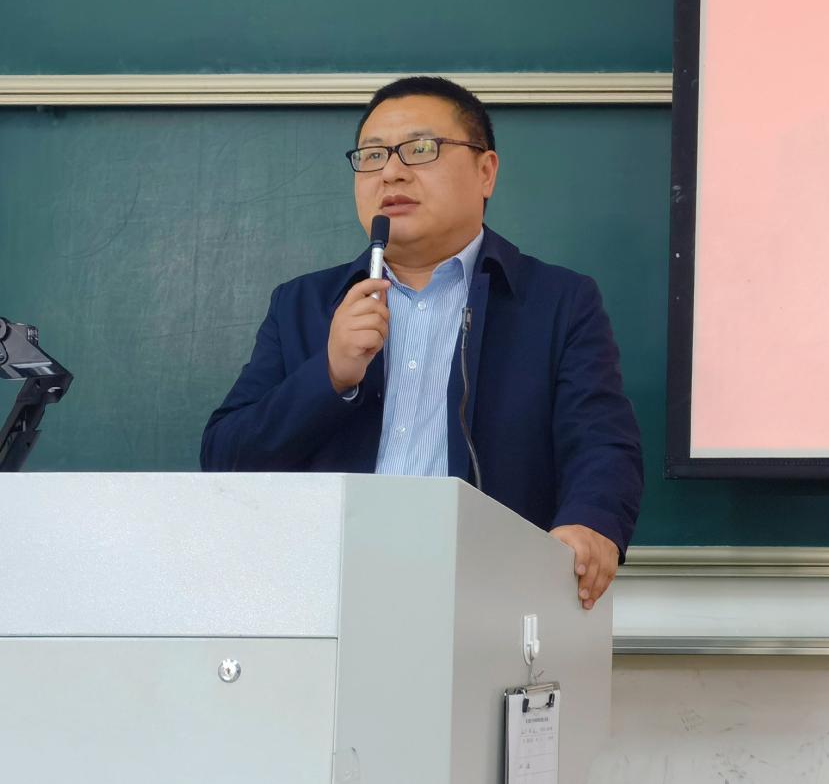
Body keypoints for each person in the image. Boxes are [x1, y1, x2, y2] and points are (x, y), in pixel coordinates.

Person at [202, 76, 644, 610]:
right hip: (325, 600)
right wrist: (329, 376)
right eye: (372, 156)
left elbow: (601, 443)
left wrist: (590, 523)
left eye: (420, 149)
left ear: (486, 172)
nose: (391, 172)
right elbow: (225, 463)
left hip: (488, 601)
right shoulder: (302, 305)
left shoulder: (556, 302)